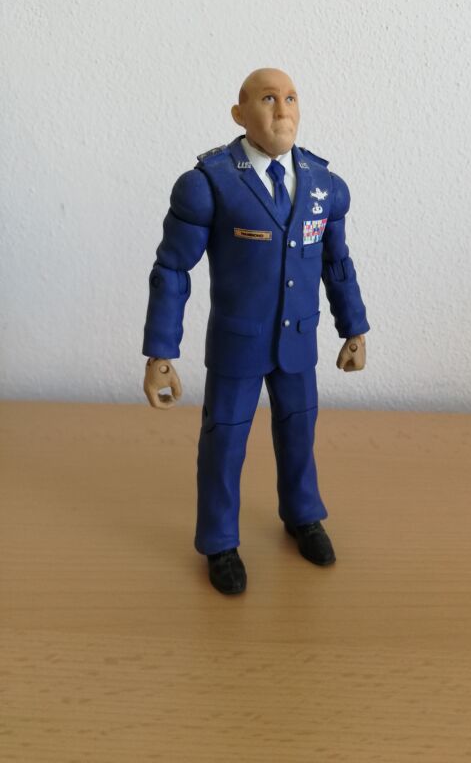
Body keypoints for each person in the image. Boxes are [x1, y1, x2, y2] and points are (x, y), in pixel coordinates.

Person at [142, 68, 369, 595]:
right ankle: (219, 540)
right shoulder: (210, 184)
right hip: (237, 346)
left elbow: (337, 263)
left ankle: (303, 514)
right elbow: (172, 270)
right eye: (268, 98)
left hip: (299, 341)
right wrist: (160, 352)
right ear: (239, 113)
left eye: (290, 98)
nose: (283, 109)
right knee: (224, 442)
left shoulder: (323, 184)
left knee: (300, 432)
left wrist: (353, 327)